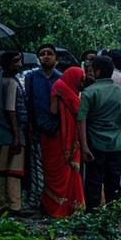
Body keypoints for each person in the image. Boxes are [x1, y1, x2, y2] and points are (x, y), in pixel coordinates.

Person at [77, 55, 121, 209]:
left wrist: (84, 147)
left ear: (96, 72)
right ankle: (112, 211)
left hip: (93, 143)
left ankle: (93, 212)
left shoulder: (88, 93)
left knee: (93, 180)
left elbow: (81, 120)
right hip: (116, 144)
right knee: (113, 180)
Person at [42, 67, 85, 217]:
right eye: (81, 79)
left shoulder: (67, 89)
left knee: (68, 172)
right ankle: (60, 207)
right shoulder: (61, 87)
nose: (82, 83)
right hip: (59, 137)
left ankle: (68, 206)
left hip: (65, 137)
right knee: (62, 172)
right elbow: (75, 109)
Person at [25, 44, 62, 211]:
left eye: (49, 54)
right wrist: (31, 125)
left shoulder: (60, 78)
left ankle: (54, 199)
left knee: (54, 165)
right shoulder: (31, 77)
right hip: (38, 126)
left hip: (56, 128)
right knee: (37, 164)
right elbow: (29, 102)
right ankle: (36, 199)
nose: (46, 56)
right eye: (42, 54)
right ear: (38, 58)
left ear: (55, 58)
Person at [0, 51, 25, 214]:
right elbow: (11, 109)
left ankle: (2, 201)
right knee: (14, 167)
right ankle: (14, 203)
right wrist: (17, 135)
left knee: (1, 167)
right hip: (10, 129)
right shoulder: (11, 83)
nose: (19, 65)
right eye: (15, 61)